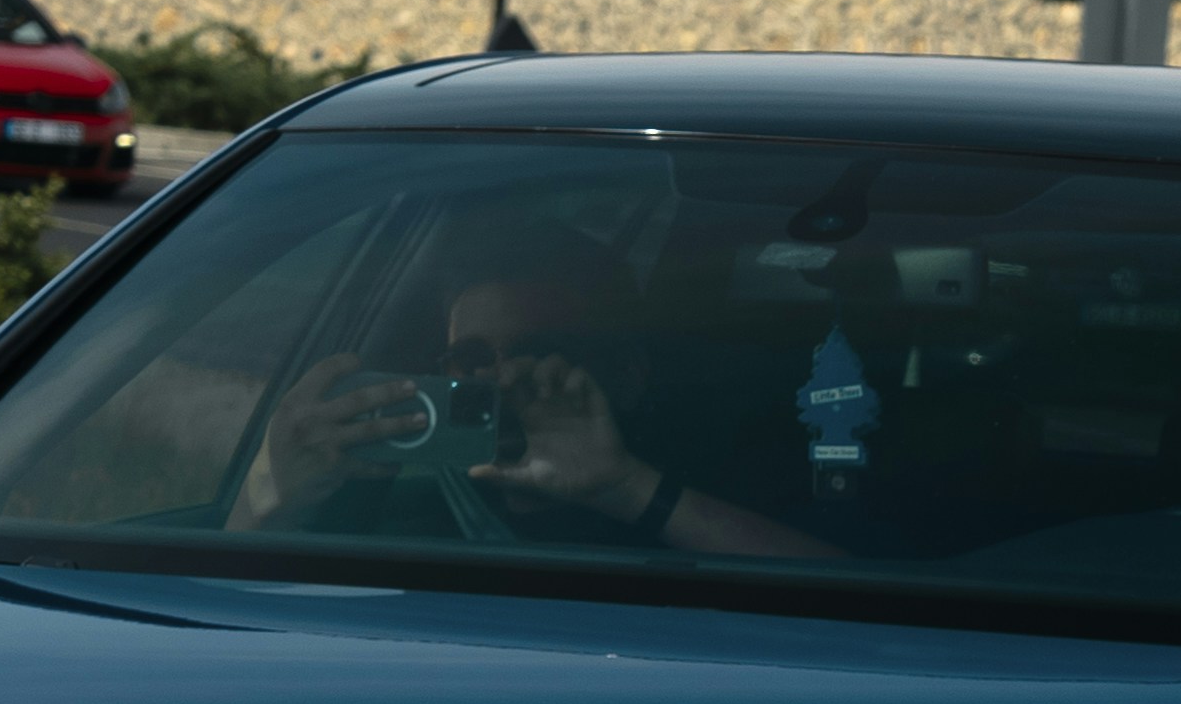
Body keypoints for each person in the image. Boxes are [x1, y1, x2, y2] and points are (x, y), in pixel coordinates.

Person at [236, 236, 839, 558]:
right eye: (473, 358)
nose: (501, 380)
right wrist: (271, 497)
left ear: (626, 375)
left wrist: (627, 490)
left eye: (539, 351)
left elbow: (843, 606)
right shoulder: (384, 499)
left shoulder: (710, 505)